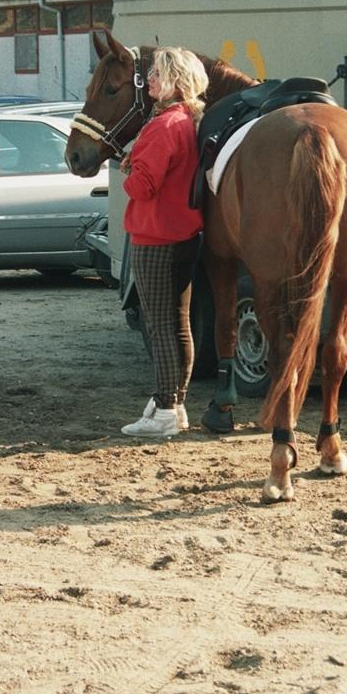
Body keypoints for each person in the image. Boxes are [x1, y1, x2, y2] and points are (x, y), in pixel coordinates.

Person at [120, 46, 208, 438]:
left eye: (157, 74)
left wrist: (129, 169)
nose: (150, 79)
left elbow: (143, 186)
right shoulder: (188, 121)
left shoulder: (162, 125)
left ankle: (166, 409)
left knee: (159, 327)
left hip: (155, 236)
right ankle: (175, 403)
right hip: (184, 234)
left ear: (173, 81)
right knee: (179, 325)